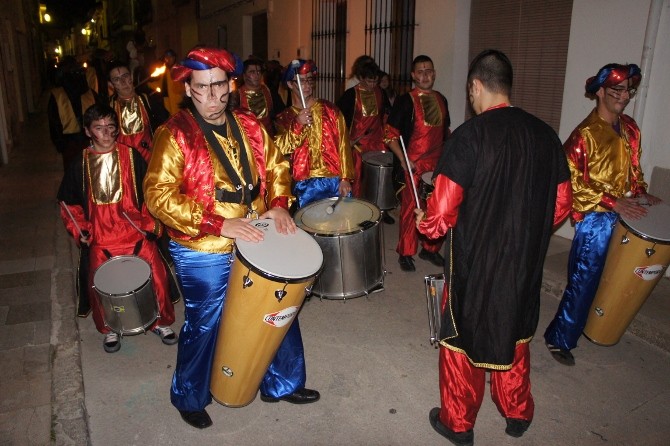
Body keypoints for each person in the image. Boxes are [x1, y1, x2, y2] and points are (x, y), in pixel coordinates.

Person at [143, 47, 321, 430]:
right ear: (187, 89)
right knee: (205, 322)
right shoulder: (173, 134)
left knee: (278, 306)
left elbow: (276, 164)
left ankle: (282, 382)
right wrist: (216, 224)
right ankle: (190, 395)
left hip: (257, 233)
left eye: (218, 85)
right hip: (202, 247)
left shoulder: (249, 124)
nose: (212, 97)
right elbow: (158, 196)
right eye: (201, 88)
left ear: (230, 84)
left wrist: (278, 204)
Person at [415, 49, 572, 445]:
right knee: (513, 333)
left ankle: (458, 423)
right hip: (523, 263)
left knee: (462, 340)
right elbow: (561, 205)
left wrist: (424, 223)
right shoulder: (546, 136)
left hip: (476, 261)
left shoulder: (468, 137)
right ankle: (518, 413)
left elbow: (440, 215)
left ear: (476, 86)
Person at [544, 63, 661, 366]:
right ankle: (559, 338)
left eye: (628, 90)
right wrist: (613, 202)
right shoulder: (584, 135)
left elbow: (634, 169)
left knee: (613, 278)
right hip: (595, 220)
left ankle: (593, 325)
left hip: (625, 214)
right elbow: (571, 183)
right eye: (617, 90)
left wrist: (641, 191)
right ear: (599, 92)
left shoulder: (630, 128)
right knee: (583, 279)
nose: (625, 96)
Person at [57, 103, 178, 354]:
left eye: (110, 127)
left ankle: (160, 321)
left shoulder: (131, 156)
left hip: (135, 233)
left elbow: (150, 194)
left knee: (157, 276)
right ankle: (110, 328)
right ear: (87, 131)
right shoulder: (79, 163)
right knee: (100, 285)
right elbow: (69, 205)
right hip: (101, 237)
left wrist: (150, 225)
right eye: (98, 128)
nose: (106, 133)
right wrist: (81, 231)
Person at [385, 55, 450, 271]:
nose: (425, 75)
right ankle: (405, 252)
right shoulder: (406, 101)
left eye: (429, 71)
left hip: (437, 165)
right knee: (411, 210)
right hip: (413, 164)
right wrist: (403, 160)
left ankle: (430, 249)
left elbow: (445, 132)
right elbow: (390, 135)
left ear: (434, 74)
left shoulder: (442, 99)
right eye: (420, 72)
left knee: (437, 208)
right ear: (413, 75)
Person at [274, 59, 354, 209]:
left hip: (334, 180)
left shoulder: (330, 110)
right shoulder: (285, 117)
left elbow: (343, 144)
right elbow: (280, 149)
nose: (307, 85)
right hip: (305, 184)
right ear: (290, 84)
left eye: (309, 80)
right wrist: (297, 124)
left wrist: (345, 178)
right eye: (301, 81)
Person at [336, 58, 392, 218]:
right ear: (361, 78)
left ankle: (380, 210)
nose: (372, 85)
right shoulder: (351, 94)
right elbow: (338, 119)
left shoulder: (380, 93)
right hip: (358, 144)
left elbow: (387, 113)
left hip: (377, 142)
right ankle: (356, 212)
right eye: (369, 81)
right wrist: (346, 140)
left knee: (380, 179)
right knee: (358, 180)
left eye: (375, 81)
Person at [108, 61, 170, 162]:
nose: (123, 81)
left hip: (149, 159)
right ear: (111, 85)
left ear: (131, 77)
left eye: (125, 76)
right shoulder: (109, 107)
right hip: (123, 161)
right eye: (117, 79)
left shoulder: (148, 100)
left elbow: (166, 123)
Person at [48, 56, 100, 169]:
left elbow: (54, 122)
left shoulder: (89, 94)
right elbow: (54, 121)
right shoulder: (59, 95)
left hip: (85, 140)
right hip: (72, 141)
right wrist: (60, 144)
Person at [237, 57, 285, 137]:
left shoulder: (269, 91)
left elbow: (280, 114)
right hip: (248, 139)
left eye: (259, 71)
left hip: (269, 138)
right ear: (244, 75)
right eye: (252, 72)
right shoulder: (237, 95)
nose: (257, 75)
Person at [160, 49, 186, 115]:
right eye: (166, 57)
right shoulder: (164, 71)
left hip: (177, 100)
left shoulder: (178, 69)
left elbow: (183, 86)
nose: (168, 59)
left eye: (170, 57)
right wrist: (149, 85)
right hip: (167, 100)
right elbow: (161, 84)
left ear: (174, 58)